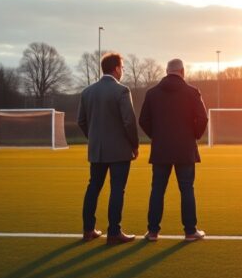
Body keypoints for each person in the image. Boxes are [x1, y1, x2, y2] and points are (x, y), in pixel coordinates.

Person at [139, 58, 208, 242]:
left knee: (157, 189)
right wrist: (194, 135)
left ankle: (152, 232)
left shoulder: (152, 93)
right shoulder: (192, 92)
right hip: (185, 149)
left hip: (161, 149)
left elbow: (143, 120)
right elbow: (203, 118)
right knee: (186, 189)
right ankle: (190, 231)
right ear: (182, 72)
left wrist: (157, 135)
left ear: (166, 71)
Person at [77, 52, 140, 245]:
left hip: (97, 149)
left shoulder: (87, 92)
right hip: (119, 150)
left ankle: (88, 230)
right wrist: (134, 145)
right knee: (117, 189)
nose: (123, 70)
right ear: (116, 69)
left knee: (93, 187)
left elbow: (81, 121)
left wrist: (94, 138)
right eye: (122, 67)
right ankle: (114, 232)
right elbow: (129, 121)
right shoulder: (121, 90)